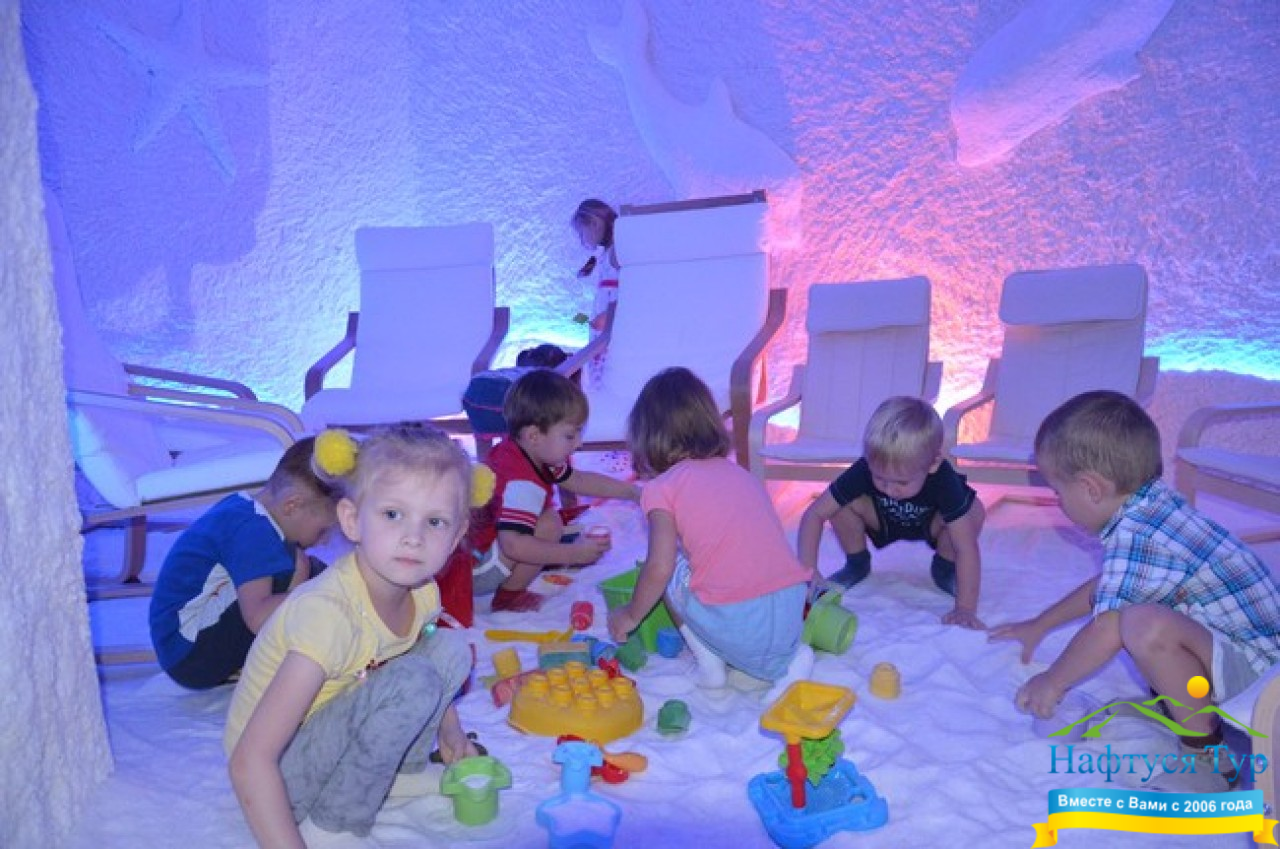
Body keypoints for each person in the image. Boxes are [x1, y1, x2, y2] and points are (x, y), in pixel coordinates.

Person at [991, 390, 1280, 791]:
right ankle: (1182, 709)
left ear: (1091, 488)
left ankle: (1208, 756)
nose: (1059, 503)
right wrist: (1041, 624)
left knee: (1143, 625)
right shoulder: (1151, 505)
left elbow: (1106, 628)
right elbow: (1109, 588)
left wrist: (1054, 681)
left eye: (1058, 492)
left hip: (1264, 681)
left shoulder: (1138, 533)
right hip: (1250, 654)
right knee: (1135, 610)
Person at [225, 425, 482, 847]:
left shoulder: (423, 591)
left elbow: (418, 656)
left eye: (435, 522)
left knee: (450, 650)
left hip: (336, 726)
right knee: (412, 681)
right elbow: (250, 761)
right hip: (282, 772)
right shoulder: (329, 616)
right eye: (393, 514)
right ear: (351, 519)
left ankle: (400, 772)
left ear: (456, 536)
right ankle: (334, 823)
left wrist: (450, 732)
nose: (414, 537)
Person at [606, 367, 814, 703]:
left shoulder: (661, 488)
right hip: (791, 606)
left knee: (670, 571)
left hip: (740, 618)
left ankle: (711, 666)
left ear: (647, 437)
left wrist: (630, 614)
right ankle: (784, 659)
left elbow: (659, 567)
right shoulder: (740, 474)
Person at [149, 437, 339, 690]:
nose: (325, 540)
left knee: (305, 570)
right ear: (292, 505)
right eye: (323, 530)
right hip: (192, 656)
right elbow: (258, 617)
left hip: (177, 645)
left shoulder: (244, 507)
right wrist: (320, 593)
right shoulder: (255, 533)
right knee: (313, 579)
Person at [795, 396, 987, 630]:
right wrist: (809, 573)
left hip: (933, 524)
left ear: (933, 463)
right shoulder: (864, 469)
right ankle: (857, 563)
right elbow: (814, 514)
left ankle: (944, 567)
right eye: (879, 478)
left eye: (901, 482)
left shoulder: (944, 479)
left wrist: (965, 608)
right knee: (838, 504)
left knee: (973, 511)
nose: (889, 489)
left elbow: (966, 547)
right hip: (882, 518)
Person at [469, 368, 640, 613]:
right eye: (570, 435)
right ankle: (509, 596)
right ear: (533, 435)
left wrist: (632, 492)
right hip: (478, 569)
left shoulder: (527, 451)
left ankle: (515, 584)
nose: (579, 444)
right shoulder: (521, 483)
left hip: (480, 552)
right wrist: (573, 554)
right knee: (549, 524)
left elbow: (579, 480)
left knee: (548, 521)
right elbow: (513, 546)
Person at [571, 198, 620, 336]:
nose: (581, 239)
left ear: (594, 224)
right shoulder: (603, 256)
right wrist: (582, 319)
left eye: (581, 232)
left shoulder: (616, 253)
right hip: (601, 331)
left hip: (612, 331)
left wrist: (608, 316)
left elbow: (626, 291)